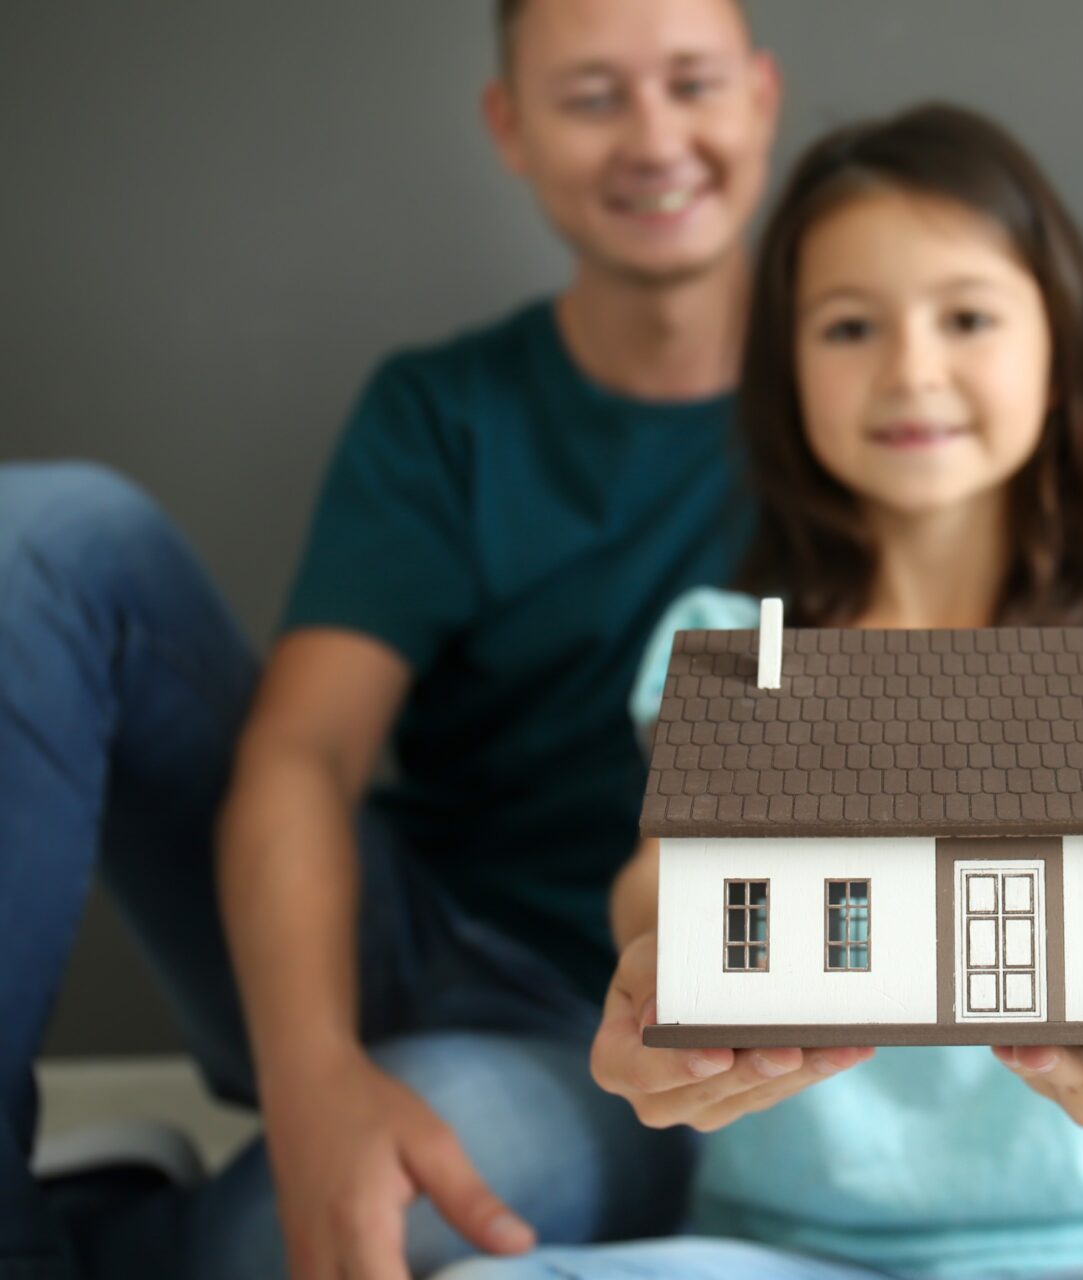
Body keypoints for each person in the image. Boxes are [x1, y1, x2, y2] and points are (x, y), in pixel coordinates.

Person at [0, 0, 780, 1275]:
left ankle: (125, 1218)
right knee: (49, 532)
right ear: (510, 127)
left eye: (691, 83)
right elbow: (303, 753)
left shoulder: (879, 405)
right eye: (593, 97)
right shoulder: (447, 412)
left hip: (629, 1038)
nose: (654, 138)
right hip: (405, 938)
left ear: (757, 96)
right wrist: (313, 1081)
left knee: (332, 1235)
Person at [436, 102, 1083, 1280]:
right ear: (784, 372)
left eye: (968, 316)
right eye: (849, 326)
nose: (911, 370)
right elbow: (662, 881)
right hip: (777, 1248)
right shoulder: (725, 648)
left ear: (1061, 342)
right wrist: (658, 966)